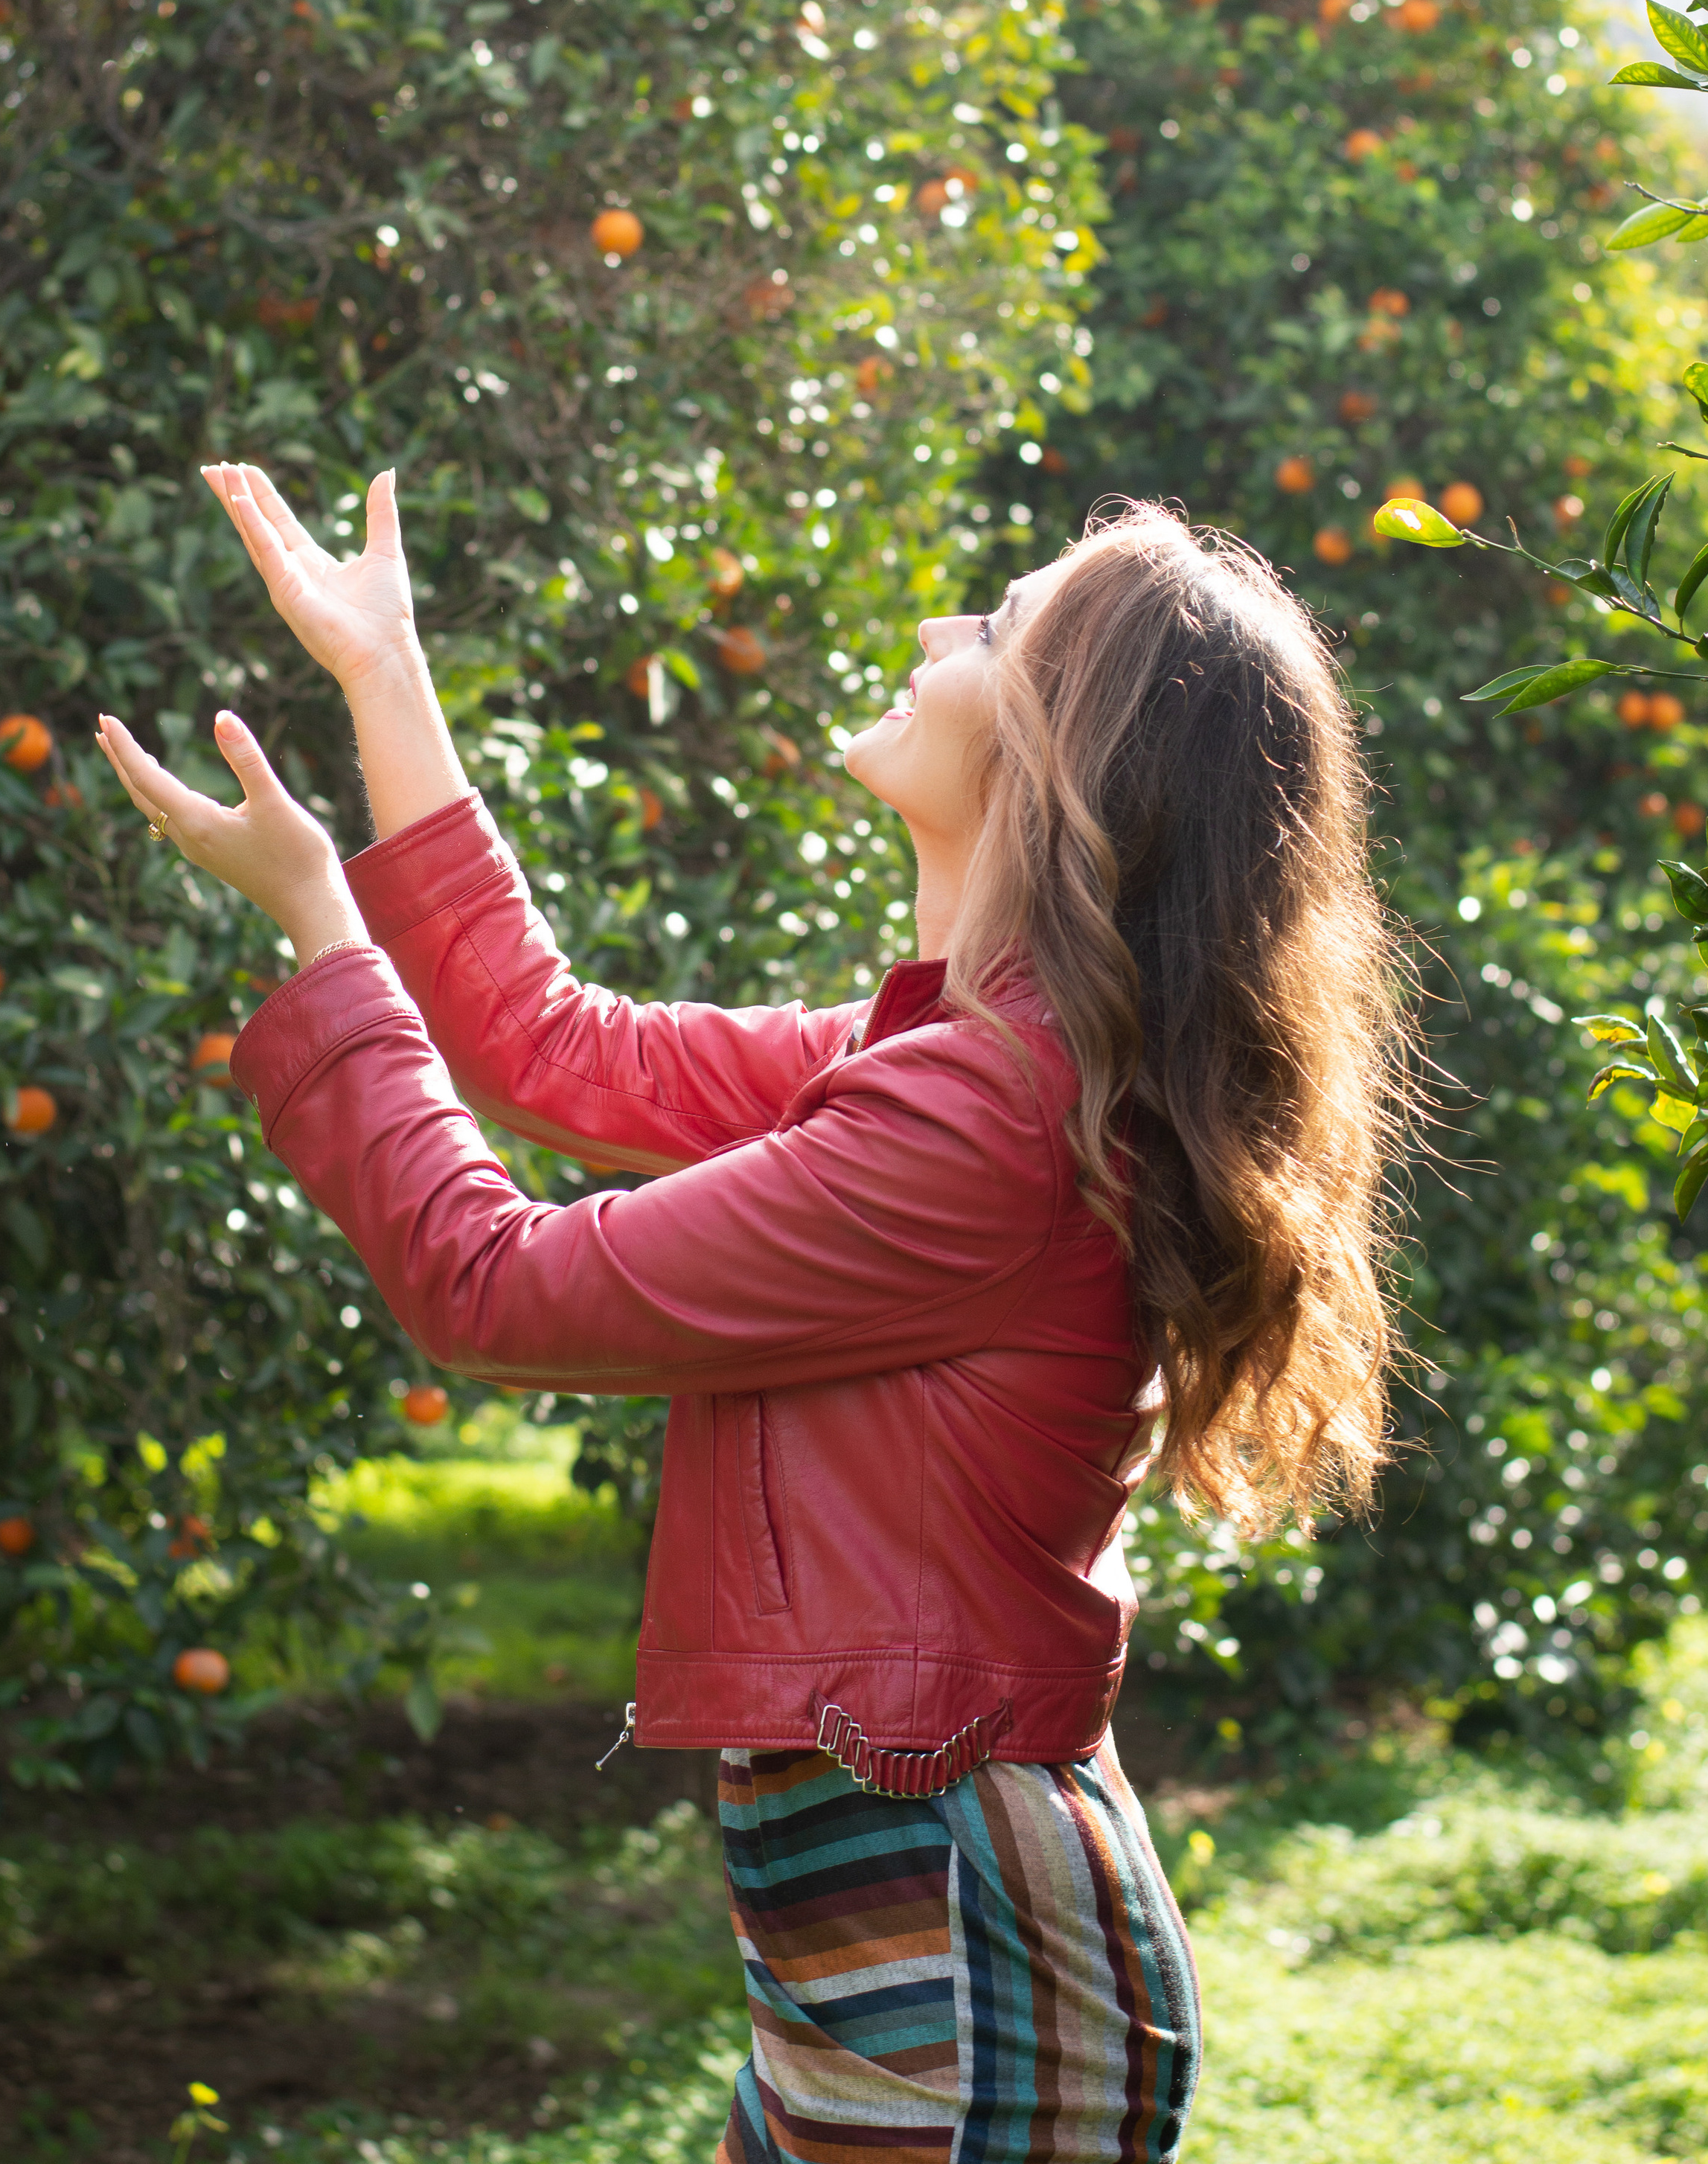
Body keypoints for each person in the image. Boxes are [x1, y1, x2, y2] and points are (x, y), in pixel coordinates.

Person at [96, 467, 1406, 2163]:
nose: (940, 628)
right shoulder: (963, 1068)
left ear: (1059, 750)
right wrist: (382, 669)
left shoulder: (986, 1122)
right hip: (889, 1900)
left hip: (945, 1938)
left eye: (994, 623)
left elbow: (488, 1285)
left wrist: (322, 927)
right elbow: (550, 1048)